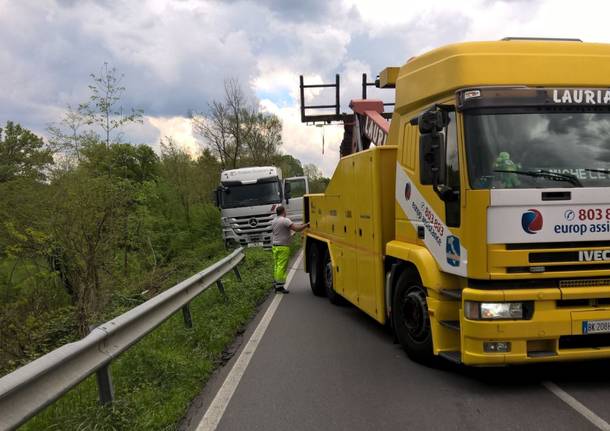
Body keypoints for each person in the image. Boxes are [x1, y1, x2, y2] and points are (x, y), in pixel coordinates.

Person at [271, 205, 309, 293]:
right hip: (283, 247)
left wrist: (290, 235)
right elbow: (297, 229)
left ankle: (276, 282)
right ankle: (279, 286)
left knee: (277, 265)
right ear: (283, 211)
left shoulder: (274, 221)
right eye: (285, 211)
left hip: (275, 246)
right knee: (282, 266)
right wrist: (306, 225)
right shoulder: (285, 220)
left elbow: (278, 233)